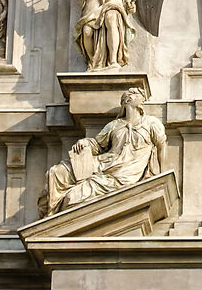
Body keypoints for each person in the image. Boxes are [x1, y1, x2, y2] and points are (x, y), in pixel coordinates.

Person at [45, 87, 167, 215]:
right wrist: (85, 142)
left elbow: (161, 145)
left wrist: (162, 175)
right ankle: (49, 214)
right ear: (128, 99)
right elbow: (98, 145)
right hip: (106, 162)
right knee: (56, 172)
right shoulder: (114, 125)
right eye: (138, 95)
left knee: (75, 195)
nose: (142, 98)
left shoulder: (151, 123)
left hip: (126, 172)